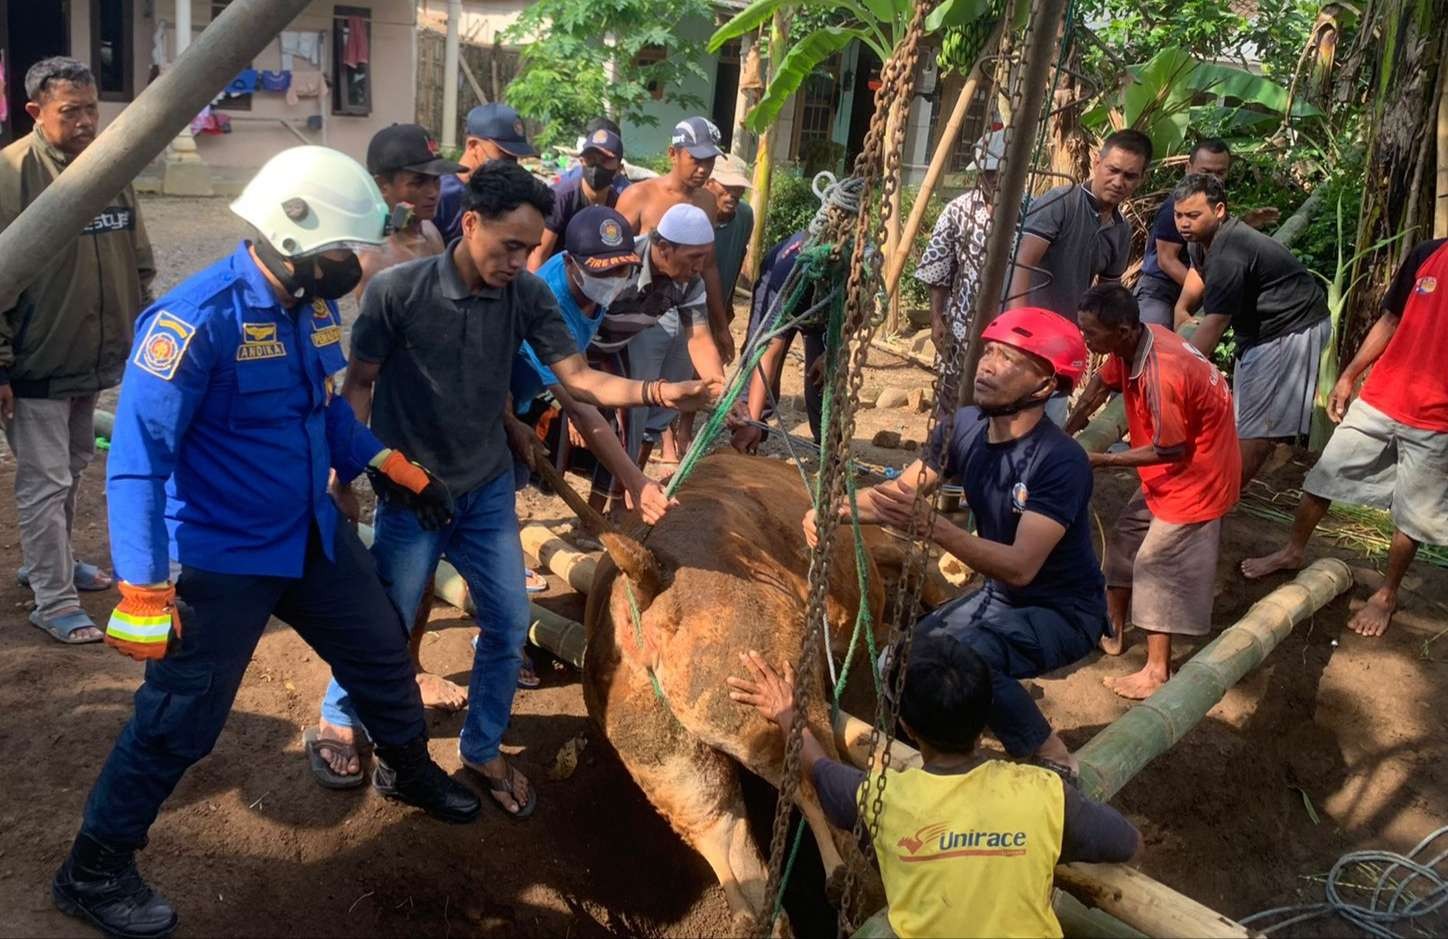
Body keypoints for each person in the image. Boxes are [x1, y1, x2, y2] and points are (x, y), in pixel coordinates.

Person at [52, 146, 482, 939]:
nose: (356, 266)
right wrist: (144, 589)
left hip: (310, 534)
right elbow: (138, 465)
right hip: (223, 556)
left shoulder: (309, 309)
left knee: (383, 652)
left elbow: (325, 415)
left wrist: (392, 468)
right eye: (344, 252)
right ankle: (95, 868)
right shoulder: (192, 321)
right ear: (292, 236)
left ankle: (410, 770)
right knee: (181, 717)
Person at [312, 162, 718, 813]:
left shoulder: (526, 298)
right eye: (508, 245)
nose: (518, 260)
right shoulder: (397, 291)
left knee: (505, 621)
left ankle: (481, 744)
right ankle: (339, 715)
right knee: (385, 617)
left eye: (528, 249)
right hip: (412, 490)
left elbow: (580, 382)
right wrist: (344, 470)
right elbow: (359, 380)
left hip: (486, 489)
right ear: (469, 223)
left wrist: (662, 390)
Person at [806, 308, 1103, 776]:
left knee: (969, 657)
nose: (987, 364)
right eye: (989, 351)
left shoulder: (1060, 461)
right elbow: (898, 496)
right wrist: (834, 511)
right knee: (899, 661)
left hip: (1062, 611)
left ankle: (1052, 757)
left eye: (1008, 359)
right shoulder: (963, 427)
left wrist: (937, 529)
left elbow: (1023, 566)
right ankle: (934, 755)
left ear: (1046, 385)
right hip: (999, 597)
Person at [727, 631, 1141, 939]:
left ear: (906, 726)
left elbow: (817, 769)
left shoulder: (878, 798)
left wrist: (785, 712)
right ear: (984, 720)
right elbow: (1127, 843)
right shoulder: (1043, 791)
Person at [0, 57, 154, 644]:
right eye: (73, 111)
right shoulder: (10, 175)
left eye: (93, 108)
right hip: (37, 359)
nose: (89, 121)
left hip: (93, 356)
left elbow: (138, 258)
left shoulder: (110, 168)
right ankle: (53, 598)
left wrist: (137, 330)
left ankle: (53, 563)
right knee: (45, 481)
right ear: (36, 112)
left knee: (72, 467)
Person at [1241, 237, 1448, 638]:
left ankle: (1386, 594)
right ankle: (1292, 550)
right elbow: (1390, 320)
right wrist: (1350, 375)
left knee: (1412, 514)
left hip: (1438, 420)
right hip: (1382, 398)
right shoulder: (1428, 255)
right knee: (1324, 477)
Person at [1065, 285, 1240, 699]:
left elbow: (1171, 447)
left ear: (1123, 330)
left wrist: (1101, 461)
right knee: (1127, 535)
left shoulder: (1166, 371)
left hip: (1197, 475)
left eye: (1091, 334)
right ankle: (1111, 625)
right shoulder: (1132, 346)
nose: (1086, 341)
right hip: (1170, 469)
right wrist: (1066, 431)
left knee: (1156, 562)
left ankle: (1156, 671)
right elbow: (1098, 389)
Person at [509, 206, 674, 523]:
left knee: (515, 473)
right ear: (571, 262)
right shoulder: (550, 300)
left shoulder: (589, 287)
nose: (613, 280)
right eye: (602, 272)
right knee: (502, 474)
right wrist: (635, 480)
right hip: (508, 392)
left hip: (539, 388)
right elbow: (581, 402)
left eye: (621, 270)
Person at [1173, 173, 1331, 484]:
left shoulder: (1230, 252)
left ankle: (1221, 497)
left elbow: (1215, 323)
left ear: (1219, 211)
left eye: (1193, 215)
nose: (1184, 223)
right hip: (1261, 331)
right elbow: (1198, 271)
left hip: (1289, 327)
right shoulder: (1201, 240)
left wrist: (1178, 374)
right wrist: (1181, 307)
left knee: (1259, 427)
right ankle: (1221, 488)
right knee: (1245, 418)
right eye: (1178, 215)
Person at [592, 202, 733, 467]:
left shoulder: (690, 283)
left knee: (629, 427)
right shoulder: (618, 263)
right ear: (664, 248)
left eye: (705, 257)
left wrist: (721, 390)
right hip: (578, 352)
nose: (699, 267)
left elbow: (699, 338)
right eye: (694, 257)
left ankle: (618, 502)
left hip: (618, 350)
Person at [616, 116, 735, 370]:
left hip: (689, 315)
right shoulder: (639, 196)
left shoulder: (707, 202)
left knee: (677, 393)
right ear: (673, 154)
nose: (703, 169)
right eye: (696, 159)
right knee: (639, 396)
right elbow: (612, 262)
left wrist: (721, 325)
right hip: (642, 318)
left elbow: (709, 266)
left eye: (710, 161)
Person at [1135, 139, 1281, 327]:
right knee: (1155, 344)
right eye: (1206, 171)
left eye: (1220, 172)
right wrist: (1208, 292)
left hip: (1190, 290)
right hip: (1160, 291)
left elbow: (1217, 239)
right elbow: (1167, 260)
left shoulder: (1212, 202)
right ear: (1188, 168)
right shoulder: (1178, 206)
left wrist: (1248, 221)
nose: (1214, 178)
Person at [1007, 129, 1150, 321]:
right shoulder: (1062, 201)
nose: (1118, 182)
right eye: (1113, 170)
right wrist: (1016, 319)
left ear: (1141, 179)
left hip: (1064, 330)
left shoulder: (1121, 230)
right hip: (1022, 318)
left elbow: (1107, 295)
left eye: (1129, 176)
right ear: (1096, 162)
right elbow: (1023, 260)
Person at [914, 129, 1001, 412]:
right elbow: (938, 271)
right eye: (988, 174)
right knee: (952, 401)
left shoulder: (1032, 212)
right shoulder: (957, 211)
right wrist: (936, 319)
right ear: (979, 175)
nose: (995, 180)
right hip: (962, 326)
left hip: (1005, 329)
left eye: (1001, 172)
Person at [731, 230, 825, 453]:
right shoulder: (788, 271)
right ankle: (749, 433)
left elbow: (856, 315)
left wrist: (831, 353)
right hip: (784, 286)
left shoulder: (859, 267)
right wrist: (753, 418)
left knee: (824, 376)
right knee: (755, 362)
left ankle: (828, 443)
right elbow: (769, 351)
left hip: (827, 306)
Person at [353, 122, 462, 296]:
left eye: (436, 180)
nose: (433, 192)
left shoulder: (430, 231)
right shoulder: (374, 260)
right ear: (383, 186)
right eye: (418, 182)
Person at [434, 103, 536, 243]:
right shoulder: (441, 195)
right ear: (473, 146)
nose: (510, 166)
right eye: (503, 156)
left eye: (514, 159)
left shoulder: (508, 194)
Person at [528, 125, 626, 270]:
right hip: (556, 274)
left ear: (619, 168)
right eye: (590, 159)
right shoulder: (561, 197)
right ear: (581, 161)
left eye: (604, 160)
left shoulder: (619, 202)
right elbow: (538, 256)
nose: (596, 167)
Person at [704, 151, 755, 301]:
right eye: (727, 185)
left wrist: (729, 299)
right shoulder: (689, 214)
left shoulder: (744, 216)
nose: (733, 193)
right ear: (708, 183)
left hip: (720, 304)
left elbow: (739, 256)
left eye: (739, 187)